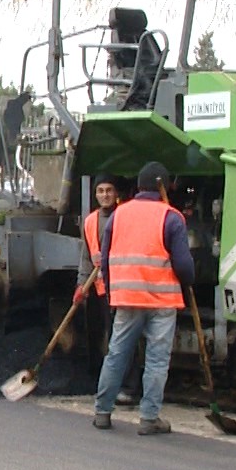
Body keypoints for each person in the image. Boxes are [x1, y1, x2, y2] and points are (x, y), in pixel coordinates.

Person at [92, 161, 195, 435]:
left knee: (117, 354)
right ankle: (149, 418)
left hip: (126, 298)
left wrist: (114, 292)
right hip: (161, 301)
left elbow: (105, 259)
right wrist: (189, 279)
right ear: (164, 186)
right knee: (157, 360)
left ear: (139, 186)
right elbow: (184, 266)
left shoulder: (118, 215)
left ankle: (102, 412)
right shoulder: (172, 217)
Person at [74, 174, 139, 405]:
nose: (104, 195)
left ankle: (129, 387)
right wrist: (82, 284)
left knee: (122, 338)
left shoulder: (125, 218)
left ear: (117, 193)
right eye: (100, 191)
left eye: (108, 190)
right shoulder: (91, 221)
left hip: (123, 287)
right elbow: (86, 256)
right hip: (101, 288)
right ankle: (108, 383)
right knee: (106, 336)